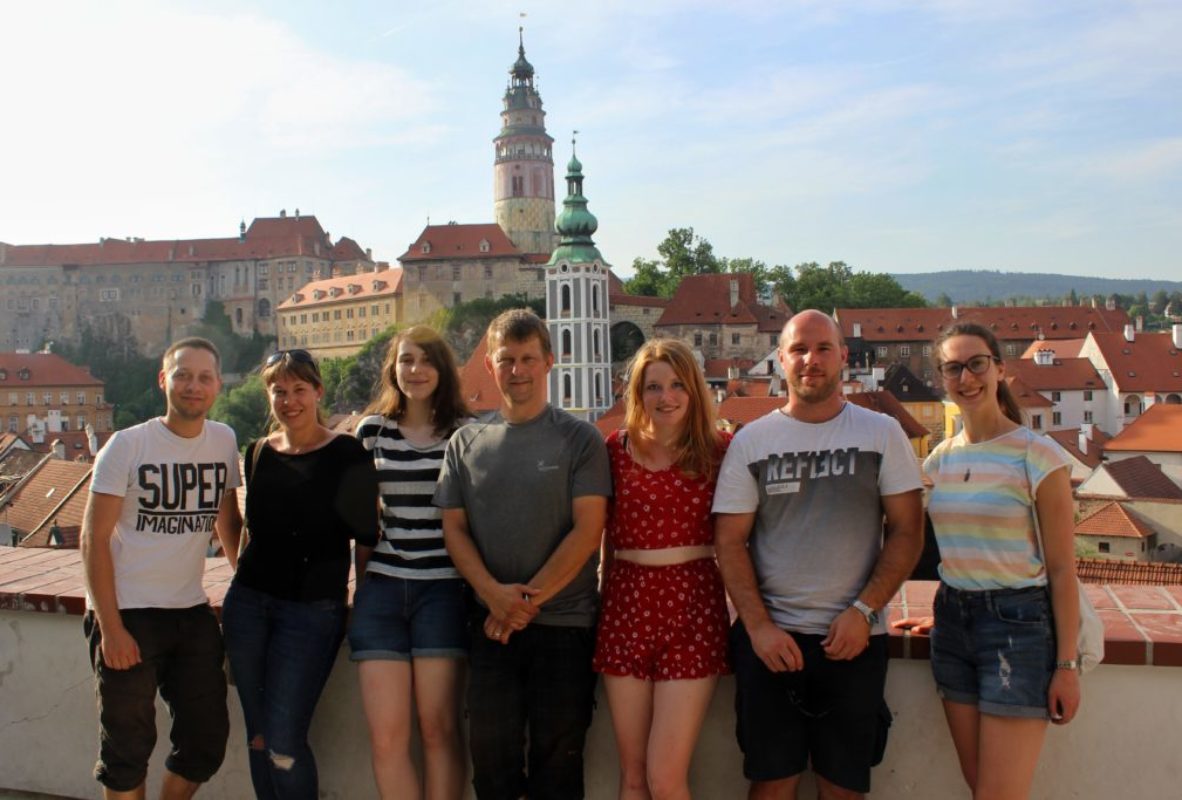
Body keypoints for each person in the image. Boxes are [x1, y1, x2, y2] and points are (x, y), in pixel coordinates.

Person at [714, 310, 924, 800]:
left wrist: (863, 611)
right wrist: (760, 627)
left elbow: (909, 531)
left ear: (844, 357)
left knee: (844, 788)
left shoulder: (881, 433)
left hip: (853, 637)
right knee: (771, 785)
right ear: (780, 360)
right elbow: (729, 541)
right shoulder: (753, 442)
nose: (811, 360)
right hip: (771, 642)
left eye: (823, 349)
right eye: (799, 350)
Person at [893, 322, 1081, 799]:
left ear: (1000, 370)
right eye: (953, 367)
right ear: (942, 379)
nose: (966, 377)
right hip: (953, 622)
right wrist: (949, 606)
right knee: (982, 788)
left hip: (1019, 628)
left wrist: (1066, 666)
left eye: (977, 364)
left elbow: (1062, 570)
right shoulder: (940, 460)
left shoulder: (1038, 456)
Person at [436, 308, 611, 800]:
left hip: (564, 625)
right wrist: (495, 597)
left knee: (560, 764)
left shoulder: (580, 438)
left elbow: (587, 530)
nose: (518, 370)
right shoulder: (465, 442)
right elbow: (454, 530)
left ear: (549, 362)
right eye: (507, 359)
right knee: (492, 764)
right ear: (490, 367)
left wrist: (521, 606)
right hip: (490, 624)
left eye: (528, 358)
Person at [80, 337, 243, 800]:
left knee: (205, 740)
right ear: (163, 380)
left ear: (217, 385)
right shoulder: (127, 446)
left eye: (204, 377)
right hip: (128, 611)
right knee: (126, 751)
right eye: (183, 375)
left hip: (189, 612)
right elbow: (93, 540)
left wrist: (246, 583)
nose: (194, 386)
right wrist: (110, 627)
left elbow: (228, 522)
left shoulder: (224, 439)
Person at [221, 349, 377, 800]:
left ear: (318, 392)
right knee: (259, 736)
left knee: (284, 737)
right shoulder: (257, 452)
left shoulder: (347, 453)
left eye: (299, 390)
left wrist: (361, 602)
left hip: (312, 613)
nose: (289, 400)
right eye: (279, 391)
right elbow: (249, 531)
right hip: (249, 606)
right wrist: (239, 580)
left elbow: (366, 538)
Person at [594, 339, 732, 800]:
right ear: (638, 392)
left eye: (676, 385)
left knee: (666, 777)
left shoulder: (720, 450)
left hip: (691, 609)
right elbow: (600, 538)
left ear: (693, 390)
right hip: (626, 608)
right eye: (653, 386)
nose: (666, 396)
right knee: (632, 777)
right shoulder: (613, 450)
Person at [349, 326, 471, 799]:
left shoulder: (466, 432)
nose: (415, 370)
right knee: (386, 737)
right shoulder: (371, 431)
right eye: (405, 360)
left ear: (442, 370)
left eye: (426, 361)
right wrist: (361, 588)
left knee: (438, 728)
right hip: (382, 588)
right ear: (392, 368)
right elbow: (361, 520)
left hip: (443, 587)